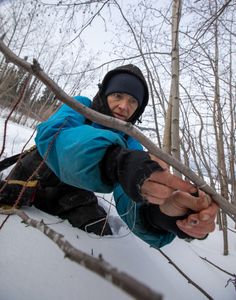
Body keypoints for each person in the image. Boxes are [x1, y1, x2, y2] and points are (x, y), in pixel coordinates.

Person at [0, 64, 218, 248]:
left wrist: (161, 214)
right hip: (35, 174)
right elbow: (52, 137)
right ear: (105, 94)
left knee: (98, 230)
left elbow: (128, 197)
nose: (124, 106)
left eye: (133, 102)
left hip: (71, 191)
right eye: (118, 95)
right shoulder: (81, 106)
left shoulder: (131, 142)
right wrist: (114, 161)